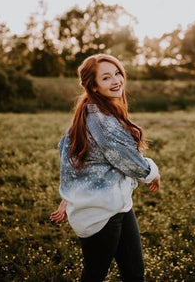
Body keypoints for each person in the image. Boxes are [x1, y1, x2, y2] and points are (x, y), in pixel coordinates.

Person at [50, 54, 160, 282]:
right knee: (94, 274)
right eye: (106, 77)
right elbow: (132, 163)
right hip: (100, 213)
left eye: (118, 73)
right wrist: (153, 172)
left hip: (119, 205)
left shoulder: (92, 111)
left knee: (134, 271)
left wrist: (68, 196)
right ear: (95, 86)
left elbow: (73, 160)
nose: (116, 80)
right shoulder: (102, 121)